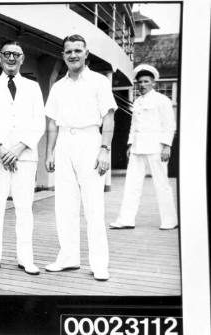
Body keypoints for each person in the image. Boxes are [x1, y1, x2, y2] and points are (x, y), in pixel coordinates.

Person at [44, 34, 117, 281]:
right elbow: (52, 122)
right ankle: (68, 257)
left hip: (90, 141)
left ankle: (99, 264)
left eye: (78, 50)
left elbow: (108, 117)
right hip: (64, 142)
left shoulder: (98, 81)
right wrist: (50, 151)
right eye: (68, 51)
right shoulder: (58, 86)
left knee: (93, 207)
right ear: (63, 55)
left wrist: (104, 149)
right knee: (64, 205)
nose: (73, 55)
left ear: (87, 53)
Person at [0, 40, 46, 276]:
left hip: (24, 157)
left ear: (23, 58)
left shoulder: (33, 87)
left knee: (24, 208)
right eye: (7, 53)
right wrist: (0, 148)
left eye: (16, 54)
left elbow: (39, 123)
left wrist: (17, 148)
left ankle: (25, 259)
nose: (11, 58)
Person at [110, 64, 178, 230]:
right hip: (137, 148)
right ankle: (126, 219)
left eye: (146, 81)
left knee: (162, 184)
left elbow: (169, 125)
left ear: (153, 83)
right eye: (139, 82)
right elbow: (134, 125)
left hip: (156, 147)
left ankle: (170, 220)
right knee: (131, 184)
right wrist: (130, 144)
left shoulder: (163, 100)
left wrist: (167, 146)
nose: (142, 85)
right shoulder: (138, 102)